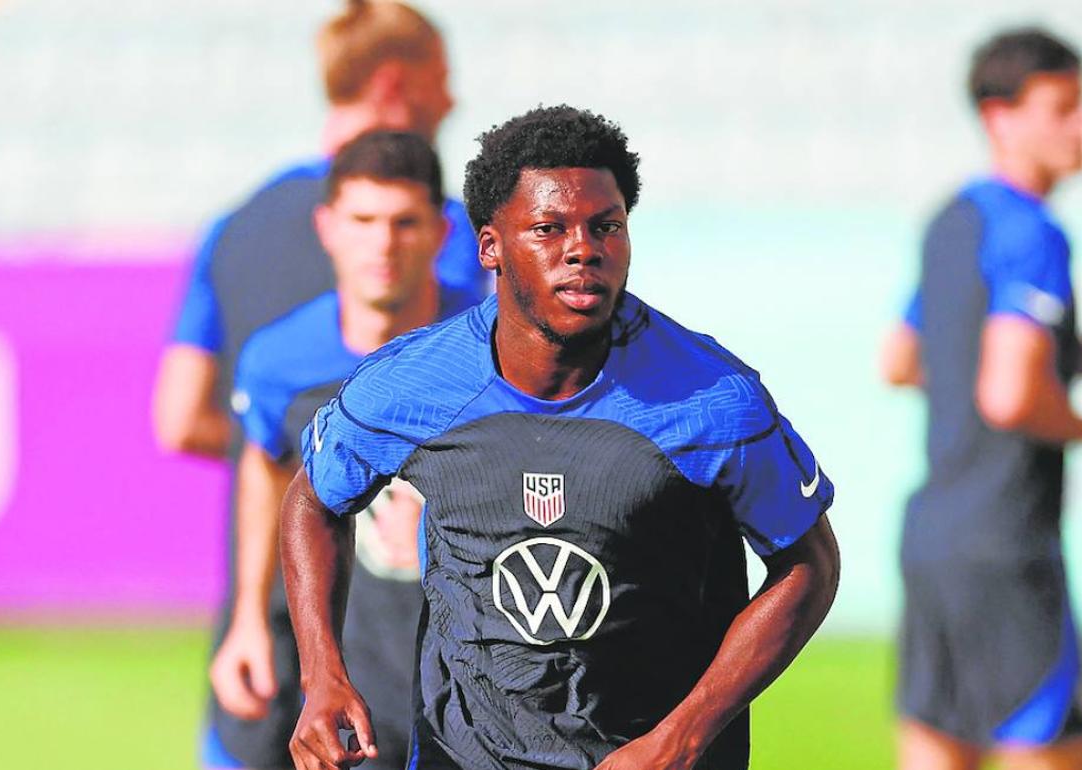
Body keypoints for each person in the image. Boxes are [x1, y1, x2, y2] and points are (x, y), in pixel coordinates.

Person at [280, 105, 841, 770]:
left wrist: (683, 737)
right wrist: (323, 676)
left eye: (606, 226)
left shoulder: (711, 400)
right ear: (490, 246)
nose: (584, 248)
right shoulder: (411, 384)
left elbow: (810, 564)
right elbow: (313, 500)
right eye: (550, 228)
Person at [148, 3, 487, 768]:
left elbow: (178, 419)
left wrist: (315, 459)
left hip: (264, 628)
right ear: (398, 85)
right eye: (443, 81)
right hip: (394, 641)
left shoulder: (234, 227)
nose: (454, 100)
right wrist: (364, 473)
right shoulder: (457, 237)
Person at [879, 27, 1082, 770]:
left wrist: (1075, 357)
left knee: (938, 740)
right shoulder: (1034, 232)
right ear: (1001, 118)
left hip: (933, 537)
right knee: (1055, 743)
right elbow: (1011, 396)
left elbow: (900, 360)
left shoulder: (951, 219)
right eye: (1063, 108)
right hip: (1007, 542)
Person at [209, 131, 475, 770]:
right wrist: (247, 616)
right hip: (351, 679)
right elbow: (265, 467)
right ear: (326, 227)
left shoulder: (493, 350)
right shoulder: (279, 361)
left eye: (404, 222)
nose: (383, 244)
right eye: (363, 221)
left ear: (441, 232)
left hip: (477, 677)